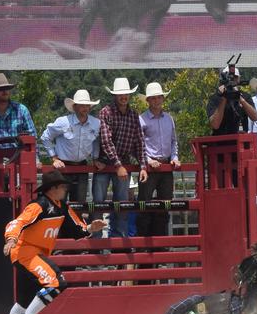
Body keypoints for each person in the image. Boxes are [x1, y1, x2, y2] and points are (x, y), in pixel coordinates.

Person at [0, 169, 105, 314]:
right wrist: (10, 239)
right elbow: (17, 223)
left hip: (33, 254)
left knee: (25, 299)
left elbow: (77, 229)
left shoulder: (62, 207)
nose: (65, 190)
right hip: (25, 252)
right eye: (63, 187)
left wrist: (90, 229)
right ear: (53, 188)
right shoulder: (38, 206)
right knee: (57, 282)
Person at [96, 77, 147, 239]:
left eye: (125, 94)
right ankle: (96, 245)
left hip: (122, 163)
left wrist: (143, 166)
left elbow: (139, 141)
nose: (123, 97)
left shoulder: (133, 115)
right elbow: (106, 140)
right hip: (105, 162)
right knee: (98, 204)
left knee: (122, 205)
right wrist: (118, 166)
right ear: (115, 96)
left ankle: (120, 243)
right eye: (120, 94)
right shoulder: (105, 112)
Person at [40, 89, 101, 207]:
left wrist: (95, 158)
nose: (85, 108)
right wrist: (54, 158)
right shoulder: (63, 122)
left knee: (80, 203)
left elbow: (96, 142)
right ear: (75, 107)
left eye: (87, 105)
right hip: (63, 167)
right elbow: (45, 137)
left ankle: (76, 225)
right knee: (59, 202)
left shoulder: (96, 123)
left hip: (82, 166)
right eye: (82, 105)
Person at [138, 82, 180, 237]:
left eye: (158, 97)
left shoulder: (169, 119)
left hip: (166, 166)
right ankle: (144, 246)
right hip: (150, 167)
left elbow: (173, 141)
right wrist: (148, 160)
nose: (156, 101)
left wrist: (174, 157)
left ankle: (160, 246)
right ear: (148, 100)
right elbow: (139, 144)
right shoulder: (141, 119)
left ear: (162, 99)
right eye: (153, 98)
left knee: (164, 206)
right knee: (145, 206)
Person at [207, 63, 257, 136]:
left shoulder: (245, 96)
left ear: (239, 79)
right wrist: (224, 97)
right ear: (223, 79)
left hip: (241, 143)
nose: (232, 79)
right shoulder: (216, 98)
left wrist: (240, 98)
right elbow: (215, 125)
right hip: (221, 144)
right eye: (228, 77)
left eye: (235, 77)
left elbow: (255, 117)